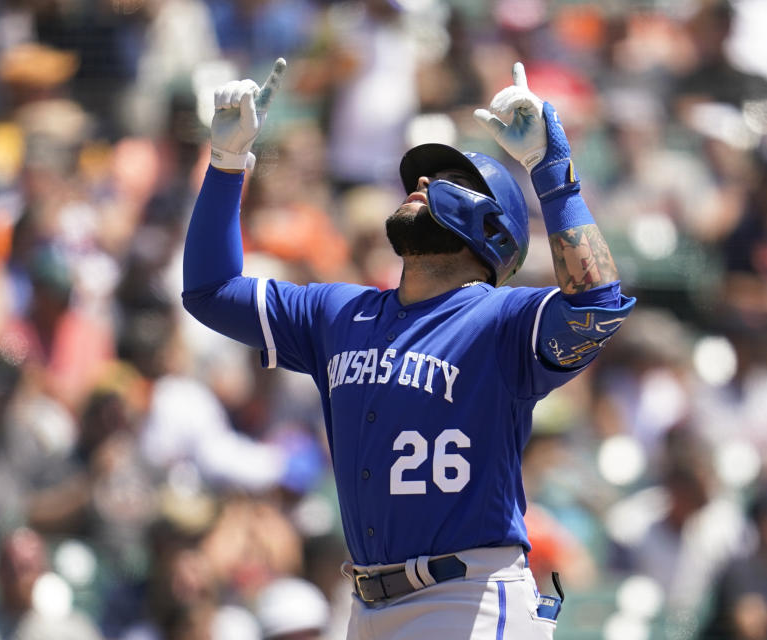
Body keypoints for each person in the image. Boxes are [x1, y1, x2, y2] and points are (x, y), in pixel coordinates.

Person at [182, 58, 635, 639]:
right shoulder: (339, 312)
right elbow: (209, 291)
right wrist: (225, 164)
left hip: (466, 599)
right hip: (367, 604)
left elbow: (596, 305)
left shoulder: (500, 318)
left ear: (494, 230)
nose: (420, 184)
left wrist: (551, 173)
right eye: (420, 177)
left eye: (448, 180)